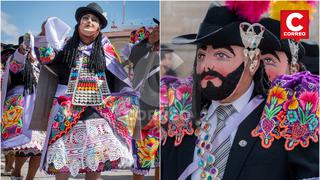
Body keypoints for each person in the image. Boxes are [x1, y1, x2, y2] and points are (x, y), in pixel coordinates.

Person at [161, 1, 319, 180]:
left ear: (252, 63)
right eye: (201, 56)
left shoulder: (287, 121)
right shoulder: (178, 116)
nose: (206, 65)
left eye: (221, 55)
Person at [28, 3, 140, 180]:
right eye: (85, 18)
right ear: (78, 25)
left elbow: (119, 82)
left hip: (96, 111)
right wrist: (44, 34)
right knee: (62, 165)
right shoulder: (65, 48)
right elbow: (45, 58)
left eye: (94, 20)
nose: (89, 21)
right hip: (66, 110)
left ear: (99, 28)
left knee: (94, 163)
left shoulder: (107, 52)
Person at [1, 34, 46, 180]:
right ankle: (16, 172)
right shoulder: (15, 60)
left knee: (39, 147)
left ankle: (29, 178)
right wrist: (22, 51)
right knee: (24, 145)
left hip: (38, 106)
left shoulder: (38, 64)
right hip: (19, 106)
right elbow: (15, 66)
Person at [128, 19, 160, 180]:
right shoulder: (144, 48)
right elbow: (133, 59)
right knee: (143, 156)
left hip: (165, 109)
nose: (156, 30)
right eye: (155, 28)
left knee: (163, 158)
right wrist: (149, 41)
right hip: (145, 108)